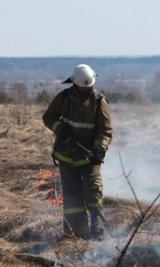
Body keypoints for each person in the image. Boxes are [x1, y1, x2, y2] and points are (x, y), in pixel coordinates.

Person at [42, 64, 112, 238]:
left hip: (89, 157)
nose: (85, 89)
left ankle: (96, 228)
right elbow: (48, 117)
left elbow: (105, 131)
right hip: (66, 156)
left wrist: (100, 149)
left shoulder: (99, 102)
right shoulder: (63, 98)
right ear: (74, 83)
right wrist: (60, 129)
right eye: (82, 86)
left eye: (88, 86)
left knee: (93, 191)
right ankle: (76, 233)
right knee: (72, 197)